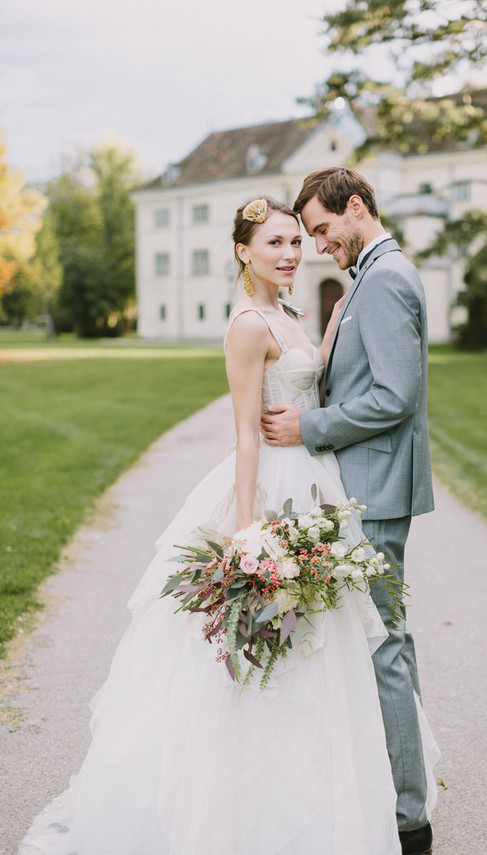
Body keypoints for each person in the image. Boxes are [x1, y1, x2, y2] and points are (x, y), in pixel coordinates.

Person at [17, 196, 438, 855]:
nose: (291, 252)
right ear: (244, 251)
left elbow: (313, 385)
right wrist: (248, 533)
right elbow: (246, 435)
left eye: (297, 240)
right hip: (274, 489)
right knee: (276, 643)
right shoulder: (246, 324)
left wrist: (328, 336)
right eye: (275, 242)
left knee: (326, 647)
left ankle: (331, 787)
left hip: (318, 486)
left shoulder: (292, 313)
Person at [261, 168, 436, 855]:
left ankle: (408, 818)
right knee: (388, 637)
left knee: (383, 642)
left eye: (324, 229)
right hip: (365, 482)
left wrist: (311, 428)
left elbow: (395, 396)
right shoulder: (368, 276)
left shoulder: (386, 278)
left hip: (378, 488)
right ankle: (404, 782)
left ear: (356, 206)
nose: (321, 245)